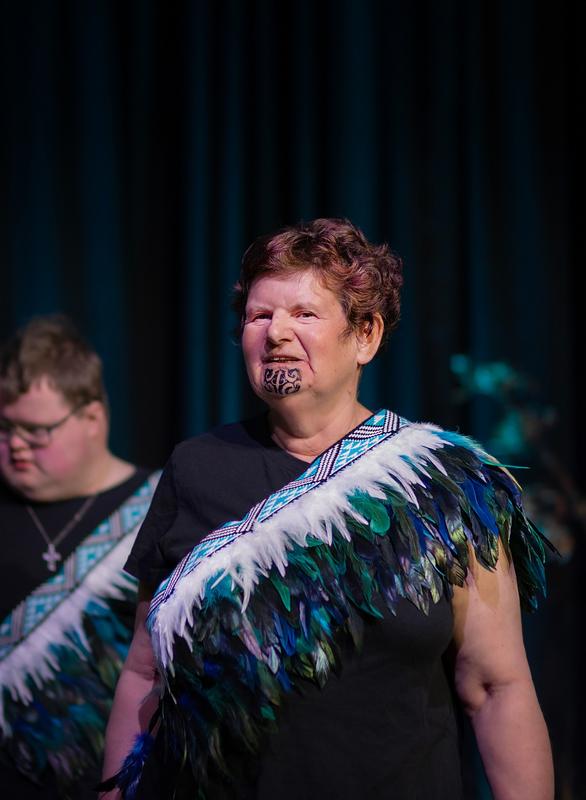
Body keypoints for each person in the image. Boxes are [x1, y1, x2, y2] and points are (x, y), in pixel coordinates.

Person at [102, 218, 553, 800]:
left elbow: (495, 688)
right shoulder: (194, 468)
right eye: (259, 316)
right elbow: (145, 673)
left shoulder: (441, 481)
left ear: (365, 335)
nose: (276, 332)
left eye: (304, 314)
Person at [0, 315, 160, 799]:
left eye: (36, 430)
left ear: (92, 418)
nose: (16, 445)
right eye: (5, 428)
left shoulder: (159, 509)